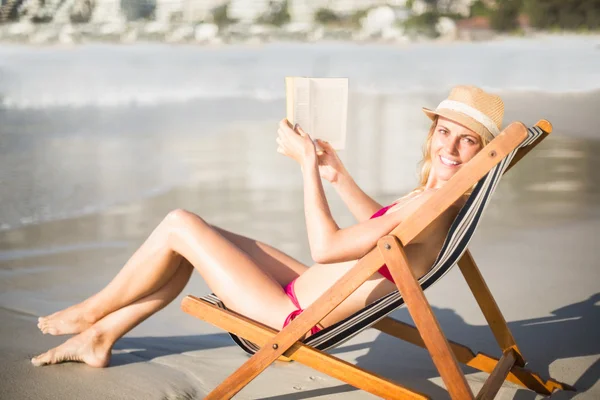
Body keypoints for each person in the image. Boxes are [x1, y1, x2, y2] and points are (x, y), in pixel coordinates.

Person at [32, 85, 504, 368]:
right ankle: (100, 337)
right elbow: (382, 230)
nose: (451, 148)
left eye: (468, 141)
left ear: (482, 154)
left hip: (293, 316)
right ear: (432, 135)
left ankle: (90, 314)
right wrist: (337, 175)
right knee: (194, 237)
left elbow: (326, 247)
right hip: (306, 290)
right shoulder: (437, 201)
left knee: (180, 226)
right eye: (444, 132)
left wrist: (305, 168)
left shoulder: (435, 205)